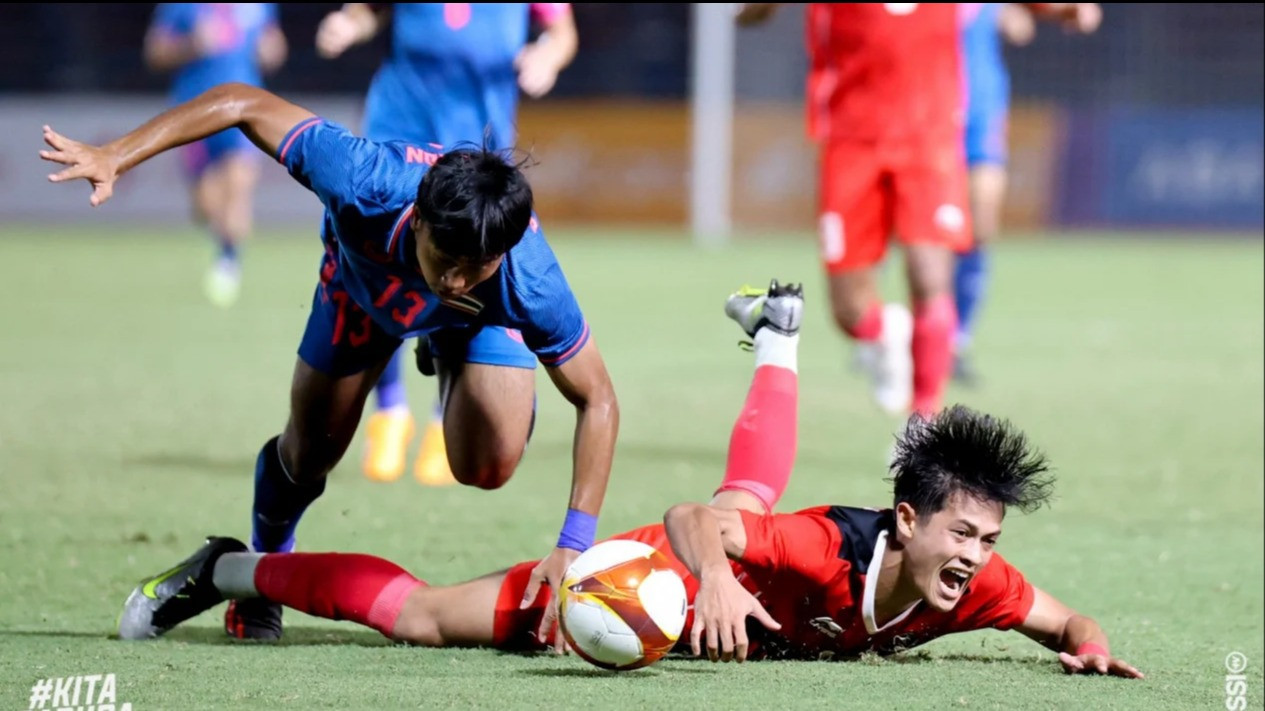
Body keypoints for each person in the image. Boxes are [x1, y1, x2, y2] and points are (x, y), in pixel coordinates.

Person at [117, 280, 1142, 679]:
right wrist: (716, 581)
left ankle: (777, 334)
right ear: (908, 520)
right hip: (650, 572)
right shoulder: (819, 550)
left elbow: (1068, 621)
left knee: (747, 507)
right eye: (962, 535)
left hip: (737, 564)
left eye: (988, 542)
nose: (975, 559)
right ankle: (228, 568)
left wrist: (1089, 649)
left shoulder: (977, 584)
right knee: (424, 619)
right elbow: (689, 517)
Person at [40, 81, 619, 643]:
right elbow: (241, 102)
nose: (456, 280)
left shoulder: (527, 278)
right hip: (361, 295)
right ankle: (264, 562)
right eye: (446, 260)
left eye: (477, 269)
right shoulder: (365, 178)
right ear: (418, 218)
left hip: (478, 321)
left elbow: (598, 399)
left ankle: (447, 345)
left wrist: (574, 542)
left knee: (486, 467)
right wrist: (117, 154)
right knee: (307, 455)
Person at [735, 3, 1100, 420]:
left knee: (930, 274)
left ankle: (924, 423)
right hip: (849, 140)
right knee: (850, 311)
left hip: (929, 137)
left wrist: (1065, 9)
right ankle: (887, 332)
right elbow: (750, 14)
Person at [315, 3, 579, 487]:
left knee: (464, 277)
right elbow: (369, 12)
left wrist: (548, 55)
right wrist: (350, 25)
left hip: (475, 152)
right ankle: (390, 411)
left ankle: (444, 415)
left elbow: (563, 34)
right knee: (378, 269)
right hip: (399, 138)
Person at [953, 3, 1101, 385]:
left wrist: (1067, 10)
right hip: (924, 109)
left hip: (981, 105)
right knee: (918, 230)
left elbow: (1025, 15)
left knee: (981, 223)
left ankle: (956, 339)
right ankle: (882, 333)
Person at [143, 3, 288, 308]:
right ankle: (222, 241)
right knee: (205, 207)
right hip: (192, 112)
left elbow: (275, 46)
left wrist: (270, 52)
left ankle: (229, 262)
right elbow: (155, 52)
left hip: (243, 111)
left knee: (239, 187)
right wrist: (190, 46)